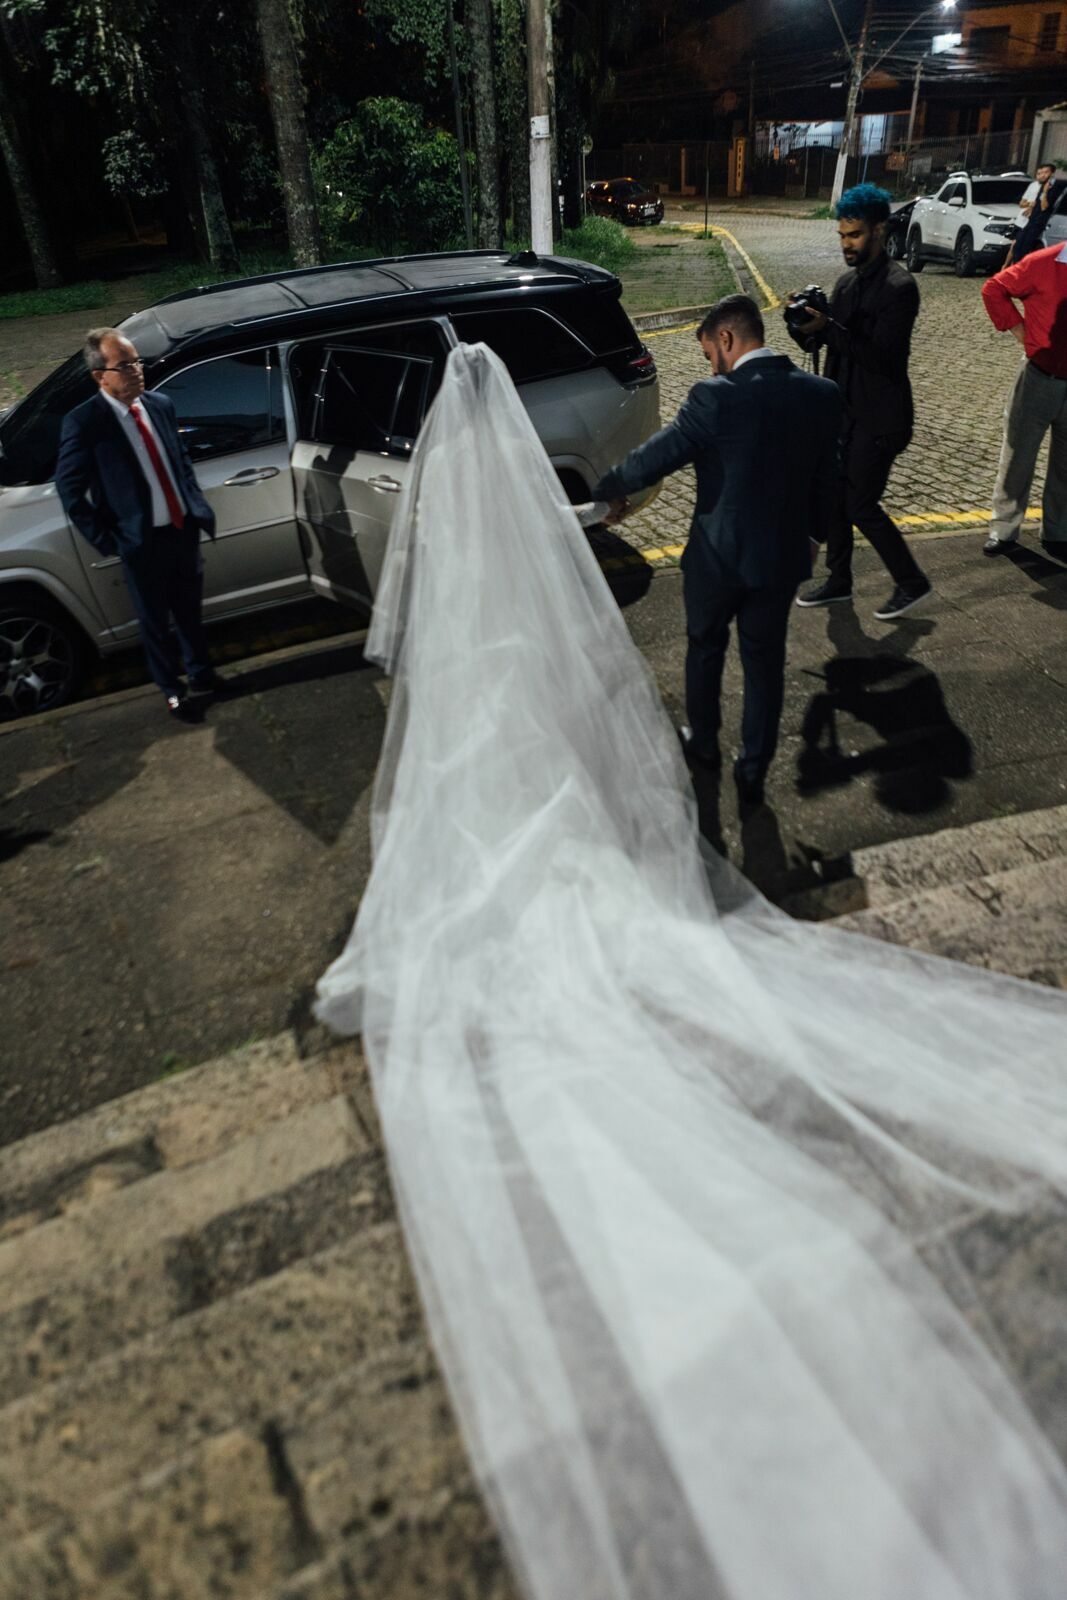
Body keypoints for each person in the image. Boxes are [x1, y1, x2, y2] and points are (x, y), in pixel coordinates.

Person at [315, 341, 1067, 1600]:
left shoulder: (614, 439)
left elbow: (623, 492)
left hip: (671, 589)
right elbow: (818, 492)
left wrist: (581, 501)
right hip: (771, 564)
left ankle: (693, 762)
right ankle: (742, 768)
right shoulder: (820, 393)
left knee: (675, 683)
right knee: (748, 676)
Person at [589, 293, 841, 806]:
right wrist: (814, 537)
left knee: (705, 650)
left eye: (709, 354)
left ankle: (704, 745)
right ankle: (753, 770)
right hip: (780, 561)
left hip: (716, 562)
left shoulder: (715, 397)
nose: (712, 364)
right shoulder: (822, 394)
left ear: (725, 338)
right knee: (764, 665)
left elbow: (656, 456)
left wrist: (607, 491)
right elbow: (829, 481)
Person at [55, 327, 226, 720]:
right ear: (101, 376)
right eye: (126, 365)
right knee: (155, 623)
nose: (138, 370)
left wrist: (194, 504)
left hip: (181, 528)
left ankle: (202, 675)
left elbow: (179, 461)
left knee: (189, 613)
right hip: (140, 541)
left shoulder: (160, 405)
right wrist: (112, 540)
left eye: (138, 362)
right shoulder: (85, 423)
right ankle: (172, 690)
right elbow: (70, 490)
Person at [787, 182, 932, 622]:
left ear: (879, 230)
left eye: (854, 235)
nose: (846, 244)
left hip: (882, 417)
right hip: (844, 412)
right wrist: (803, 327)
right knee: (835, 499)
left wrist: (827, 328)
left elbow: (881, 356)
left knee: (860, 505)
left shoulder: (900, 287)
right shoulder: (846, 283)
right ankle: (838, 581)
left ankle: (912, 582)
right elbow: (828, 346)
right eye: (842, 236)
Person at [980, 241, 1067, 555]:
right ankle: (1004, 530)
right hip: (1039, 376)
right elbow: (994, 289)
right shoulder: (1044, 262)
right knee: (1018, 456)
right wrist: (1020, 331)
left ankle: (1058, 533)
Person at [1009, 162, 1065, 264]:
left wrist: (1045, 192)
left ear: (1052, 173)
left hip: (1038, 223)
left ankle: (1021, 273)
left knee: (1025, 249)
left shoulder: (1052, 187)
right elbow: (1035, 204)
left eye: (1046, 172)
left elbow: (1044, 207)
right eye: (1041, 172)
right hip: (1031, 221)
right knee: (1017, 247)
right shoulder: (1042, 186)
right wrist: (1031, 208)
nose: (1043, 175)